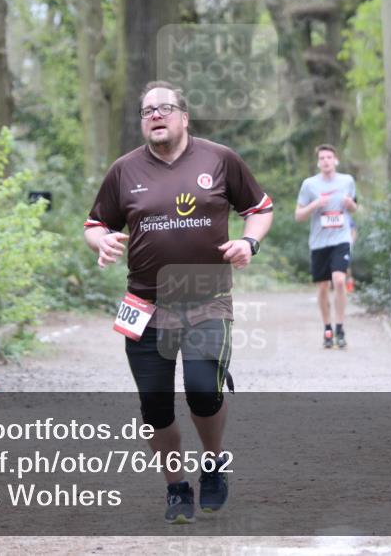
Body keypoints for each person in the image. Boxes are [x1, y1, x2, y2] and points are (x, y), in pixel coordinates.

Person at [83, 81, 273, 524]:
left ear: (184, 117)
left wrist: (249, 242)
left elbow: (260, 208)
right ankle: (176, 488)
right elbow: (94, 223)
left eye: (165, 107)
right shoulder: (123, 171)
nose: (155, 115)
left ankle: (213, 463)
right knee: (155, 406)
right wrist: (102, 240)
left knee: (204, 389)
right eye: (147, 110)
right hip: (143, 305)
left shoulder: (220, 159)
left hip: (207, 299)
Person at [295, 144, 357, 349]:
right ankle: (327, 328)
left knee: (339, 281)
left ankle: (340, 327)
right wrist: (315, 205)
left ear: (336, 160)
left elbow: (354, 208)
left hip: (341, 239)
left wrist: (350, 205)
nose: (326, 161)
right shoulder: (309, 185)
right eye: (322, 158)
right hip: (319, 243)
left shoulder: (347, 181)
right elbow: (298, 216)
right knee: (322, 287)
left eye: (329, 157)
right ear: (318, 162)